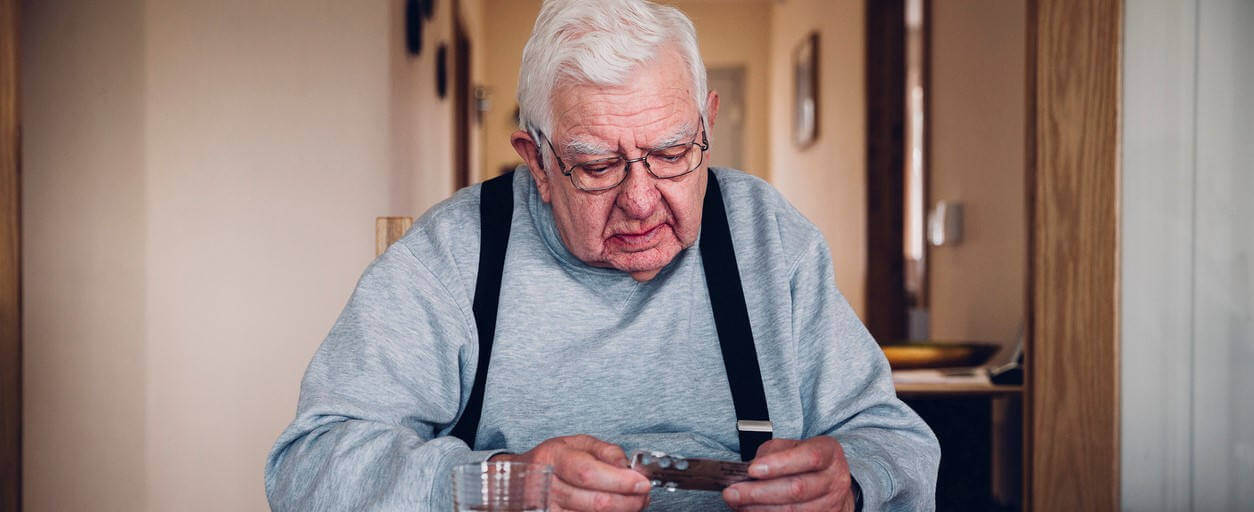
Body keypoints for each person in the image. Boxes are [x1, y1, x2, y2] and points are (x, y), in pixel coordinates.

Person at [264, 0, 939, 510]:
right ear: (536, 161)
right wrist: (499, 485)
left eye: (672, 153)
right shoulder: (452, 255)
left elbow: (896, 440)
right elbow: (308, 469)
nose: (641, 201)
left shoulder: (769, 236)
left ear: (707, 123)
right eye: (596, 166)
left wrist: (852, 483)